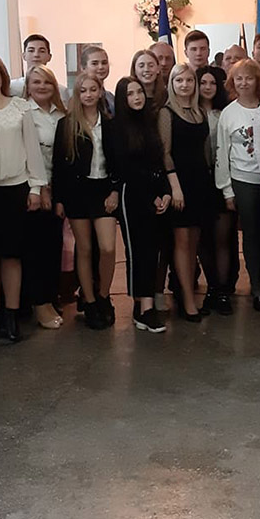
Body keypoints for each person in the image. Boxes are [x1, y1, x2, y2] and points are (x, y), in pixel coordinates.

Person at [0, 54, 46, 342]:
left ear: (1, 76)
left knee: (12, 255)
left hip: (16, 188)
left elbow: (32, 149)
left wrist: (36, 188)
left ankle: (12, 315)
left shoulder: (20, 107)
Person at [53, 71, 119, 329]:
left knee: (108, 248)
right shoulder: (67, 124)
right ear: (77, 94)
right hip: (77, 193)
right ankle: (89, 301)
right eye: (83, 91)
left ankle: (104, 295)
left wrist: (114, 191)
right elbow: (59, 166)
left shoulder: (111, 124)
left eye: (93, 89)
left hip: (104, 190)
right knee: (84, 248)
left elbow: (119, 162)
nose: (89, 95)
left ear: (100, 92)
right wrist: (59, 199)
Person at [217, 59, 260, 314]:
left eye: (249, 78)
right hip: (242, 180)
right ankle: (256, 287)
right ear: (232, 83)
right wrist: (227, 190)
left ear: (258, 81)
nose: (244, 83)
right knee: (252, 235)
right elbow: (222, 152)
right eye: (239, 79)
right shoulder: (228, 113)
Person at [110, 76, 171, 332]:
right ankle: (144, 308)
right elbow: (125, 168)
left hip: (154, 194)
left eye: (139, 92)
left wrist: (165, 192)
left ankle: (144, 305)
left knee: (152, 251)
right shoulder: (116, 127)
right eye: (130, 94)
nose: (136, 97)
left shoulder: (149, 122)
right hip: (132, 196)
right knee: (137, 251)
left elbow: (158, 162)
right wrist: (149, 196)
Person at [160, 63, 215, 321]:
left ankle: (189, 293)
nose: (184, 85)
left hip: (200, 183)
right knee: (181, 243)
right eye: (179, 80)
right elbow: (165, 153)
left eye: (189, 80)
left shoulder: (199, 112)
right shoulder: (166, 113)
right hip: (179, 184)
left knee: (194, 244)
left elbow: (204, 150)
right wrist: (175, 187)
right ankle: (187, 300)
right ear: (171, 84)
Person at [22, 65, 67, 330]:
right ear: (27, 86)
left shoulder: (61, 114)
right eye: (36, 82)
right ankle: (39, 303)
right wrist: (40, 188)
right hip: (33, 189)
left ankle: (50, 298)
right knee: (35, 250)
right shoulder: (23, 112)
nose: (41, 86)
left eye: (47, 82)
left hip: (57, 186)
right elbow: (27, 154)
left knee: (53, 248)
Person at [198, 65, 237, 316]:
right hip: (198, 182)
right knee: (203, 240)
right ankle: (211, 288)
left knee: (222, 239)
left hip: (222, 179)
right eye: (203, 82)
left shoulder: (226, 113)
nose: (208, 87)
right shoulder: (189, 113)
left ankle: (222, 291)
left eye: (212, 83)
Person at [78, 45, 113, 115]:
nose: (101, 67)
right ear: (83, 68)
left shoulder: (110, 97)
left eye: (104, 63)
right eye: (94, 63)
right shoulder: (79, 98)